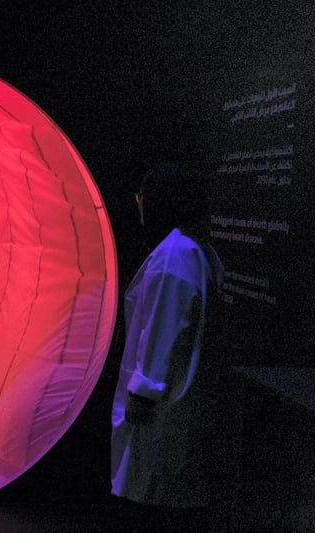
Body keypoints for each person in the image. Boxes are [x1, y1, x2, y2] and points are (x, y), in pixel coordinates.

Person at [110, 162, 226, 532]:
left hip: (162, 406)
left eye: (144, 198)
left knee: (157, 503)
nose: (139, 205)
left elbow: (163, 331)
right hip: (183, 402)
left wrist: (143, 393)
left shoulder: (174, 254)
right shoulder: (196, 250)